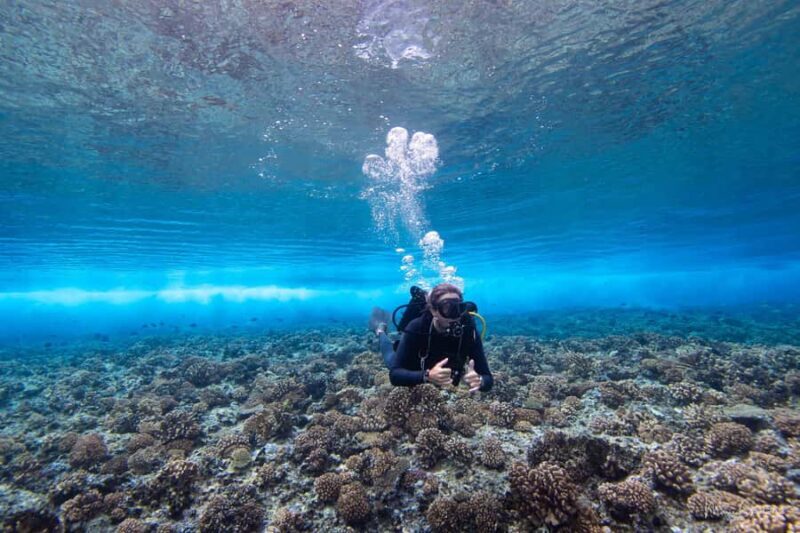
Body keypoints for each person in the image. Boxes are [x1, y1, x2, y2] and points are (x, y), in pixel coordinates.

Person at [370, 283, 494, 392]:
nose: (454, 316)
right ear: (433, 311)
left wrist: (480, 381)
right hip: (416, 366)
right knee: (391, 358)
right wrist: (427, 376)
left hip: (438, 372)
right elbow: (395, 375)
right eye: (447, 308)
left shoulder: (468, 329)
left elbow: (487, 378)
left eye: (458, 308)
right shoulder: (417, 326)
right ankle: (381, 331)